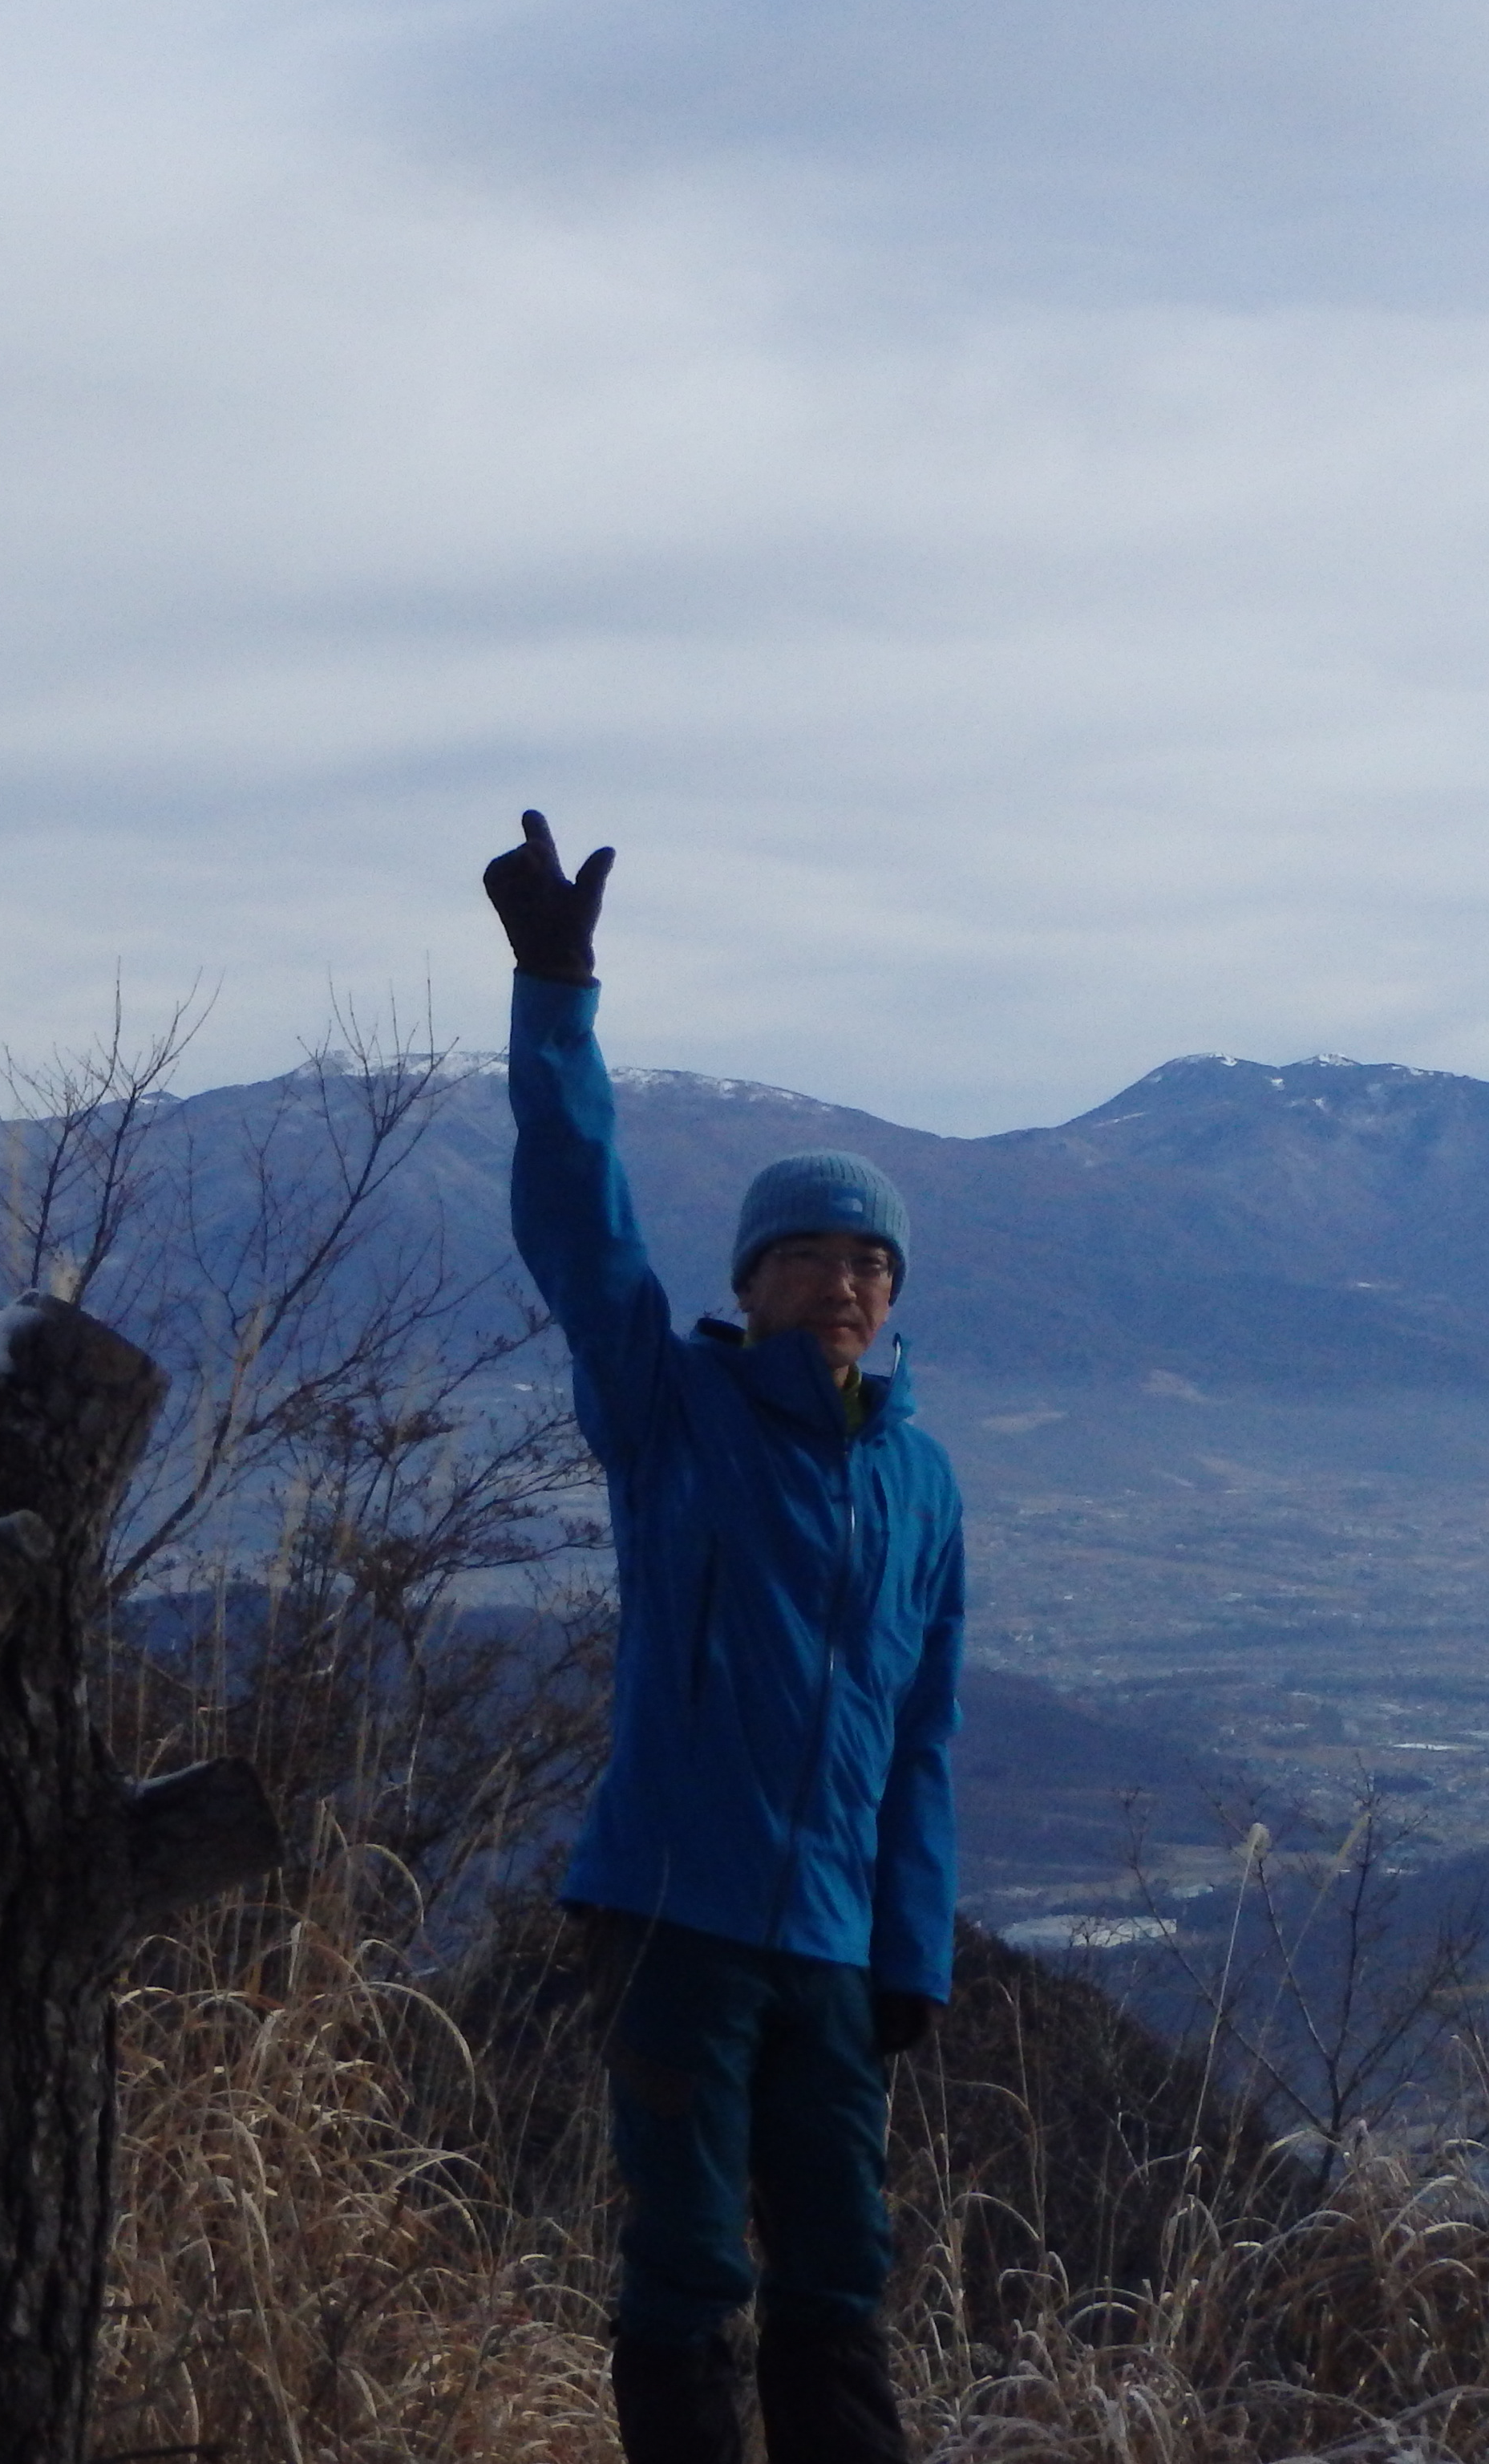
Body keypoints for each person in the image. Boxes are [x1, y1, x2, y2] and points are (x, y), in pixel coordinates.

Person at [484, 809, 964, 2464]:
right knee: (689, 2260)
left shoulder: (920, 1484)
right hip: (673, 1911)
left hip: (831, 1941)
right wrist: (559, 997)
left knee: (841, 2267)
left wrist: (912, 1950)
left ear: (892, 1295)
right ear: (753, 1282)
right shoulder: (670, 1409)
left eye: (869, 1260)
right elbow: (579, 1226)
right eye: (808, 1255)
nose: (843, 1281)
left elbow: (923, 1735)